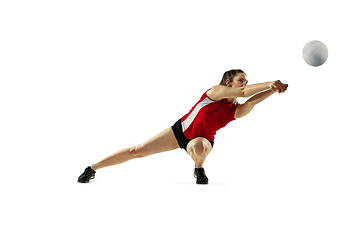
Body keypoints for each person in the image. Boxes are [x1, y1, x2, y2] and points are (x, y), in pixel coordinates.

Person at [77, 69, 288, 184]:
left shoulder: (234, 111)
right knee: (137, 151)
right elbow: (244, 93)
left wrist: (273, 90)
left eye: (246, 80)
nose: (245, 83)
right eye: (242, 80)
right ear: (228, 83)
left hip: (203, 140)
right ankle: (92, 168)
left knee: (197, 146)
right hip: (179, 131)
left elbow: (249, 101)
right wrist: (270, 83)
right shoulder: (214, 92)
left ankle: (198, 169)